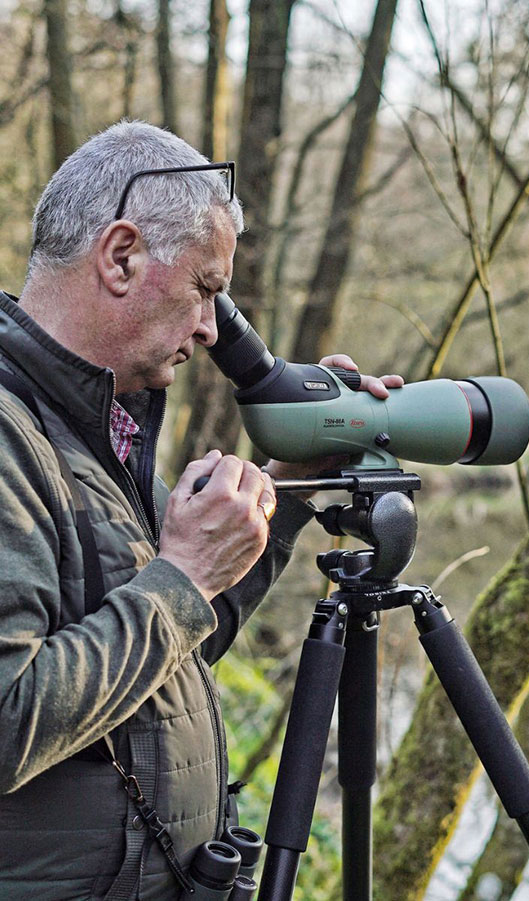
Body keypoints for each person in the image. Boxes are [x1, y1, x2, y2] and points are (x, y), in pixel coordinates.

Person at [0, 120, 403, 901]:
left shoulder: (99, 427)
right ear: (121, 257)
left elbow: (160, 659)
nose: (213, 327)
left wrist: (282, 495)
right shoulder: (13, 436)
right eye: (207, 288)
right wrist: (181, 576)